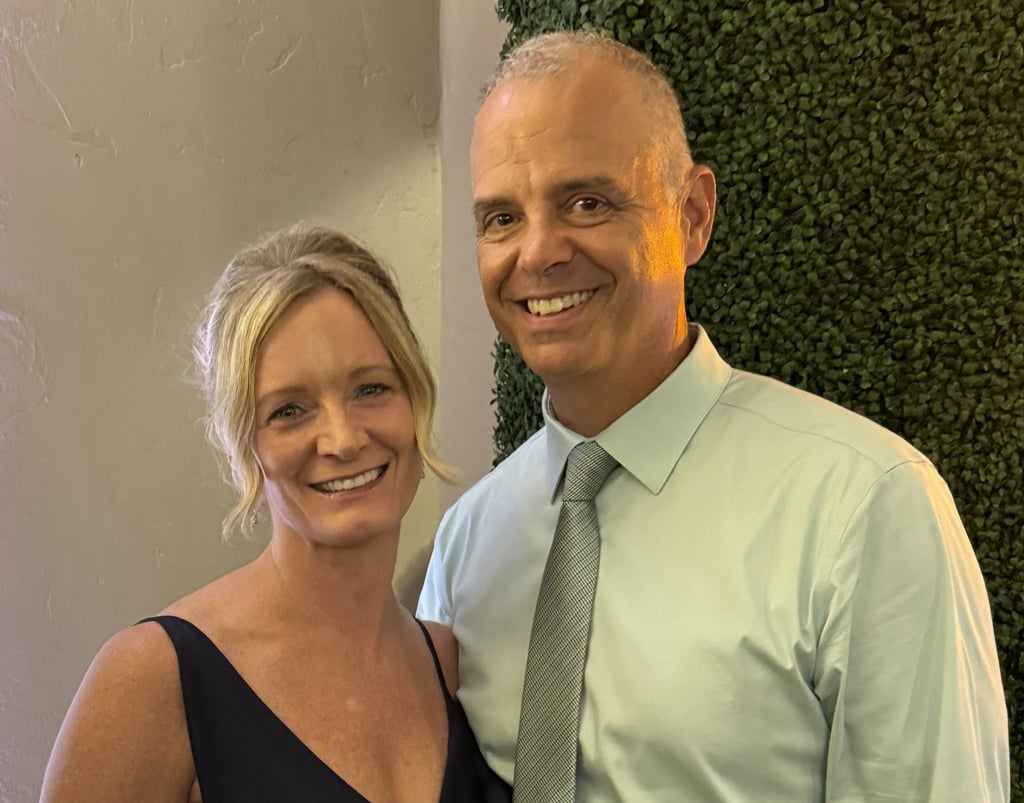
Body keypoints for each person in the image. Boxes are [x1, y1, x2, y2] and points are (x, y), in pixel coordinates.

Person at [417, 31, 1009, 802]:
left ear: (693, 215)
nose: (537, 252)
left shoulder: (864, 508)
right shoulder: (468, 548)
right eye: (500, 218)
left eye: (586, 201)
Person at [41, 224, 512, 803]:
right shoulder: (153, 680)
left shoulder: (447, 664)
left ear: (414, 396)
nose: (341, 439)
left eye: (371, 389)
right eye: (289, 410)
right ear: (245, 445)